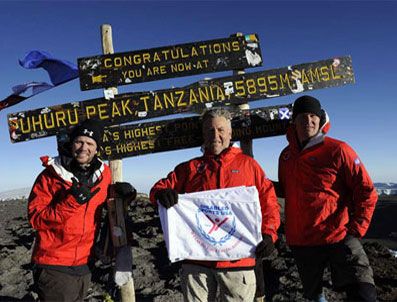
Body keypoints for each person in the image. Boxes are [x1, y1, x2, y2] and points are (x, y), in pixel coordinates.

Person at [149, 108, 280, 302]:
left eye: (220, 130)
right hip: (197, 262)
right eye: (210, 130)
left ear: (230, 133)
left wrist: (269, 234)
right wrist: (161, 193)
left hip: (238, 261)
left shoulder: (249, 165)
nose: (215, 136)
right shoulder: (190, 168)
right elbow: (159, 188)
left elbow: (269, 202)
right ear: (203, 134)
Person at [278, 95, 378, 302]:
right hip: (303, 240)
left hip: (339, 236)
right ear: (293, 121)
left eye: (313, 116)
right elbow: (287, 191)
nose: (308, 121)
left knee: (363, 292)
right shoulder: (286, 156)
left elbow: (366, 190)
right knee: (315, 296)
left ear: (321, 119)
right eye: (302, 116)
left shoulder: (338, 149)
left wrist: (357, 229)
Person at [28, 119, 135, 301]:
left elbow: (108, 203)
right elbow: (36, 219)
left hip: (86, 262)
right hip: (54, 263)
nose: (83, 147)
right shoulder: (50, 176)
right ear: (71, 143)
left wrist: (126, 194)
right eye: (79, 141)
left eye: (90, 143)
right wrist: (71, 202)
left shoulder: (104, 174)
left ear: (96, 149)